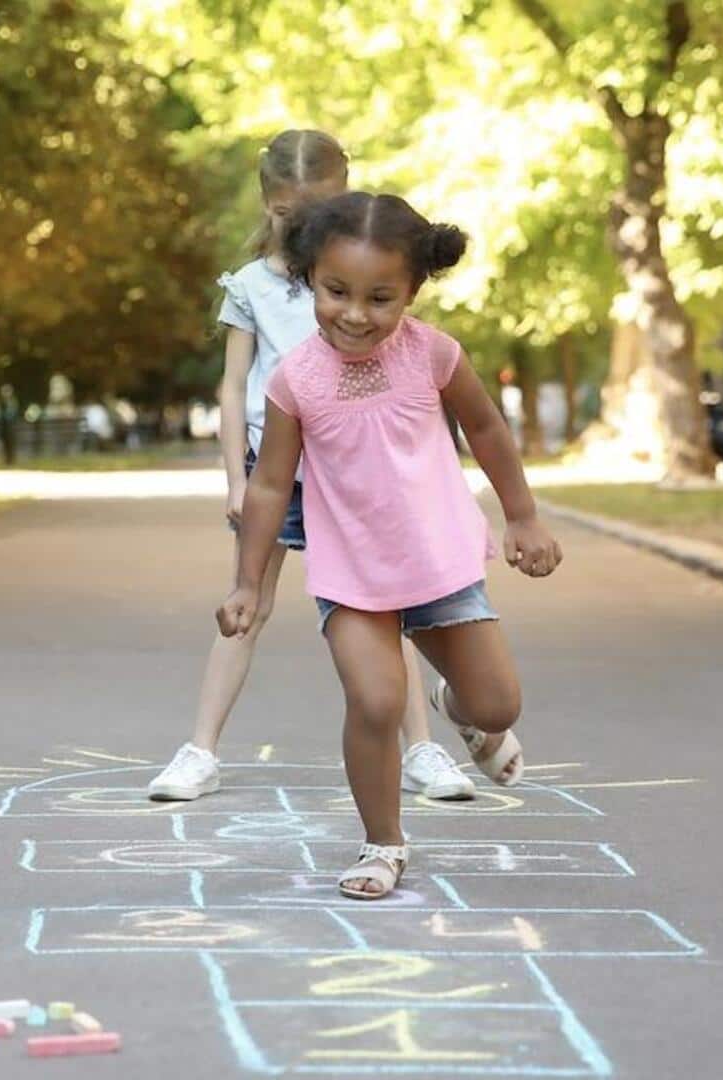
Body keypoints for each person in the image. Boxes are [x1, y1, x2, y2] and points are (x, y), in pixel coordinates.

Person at [218, 192, 564, 899]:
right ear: (311, 277)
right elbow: (268, 485)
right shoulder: (296, 380)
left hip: (438, 562)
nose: (354, 313)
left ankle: (461, 711)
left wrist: (523, 515)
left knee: (497, 706)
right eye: (335, 291)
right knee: (375, 703)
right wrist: (248, 582)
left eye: (380, 298)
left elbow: (489, 430)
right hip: (352, 574)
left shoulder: (433, 354)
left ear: (413, 291)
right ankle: (383, 844)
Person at [149, 130, 477, 804]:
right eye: (286, 215)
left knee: (391, 609)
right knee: (247, 603)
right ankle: (199, 750)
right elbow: (232, 385)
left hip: (360, 471)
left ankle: (423, 749)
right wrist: (237, 481)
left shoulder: (361, 276)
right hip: (279, 469)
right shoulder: (249, 287)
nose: (299, 228)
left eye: (316, 212)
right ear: (267, 205)